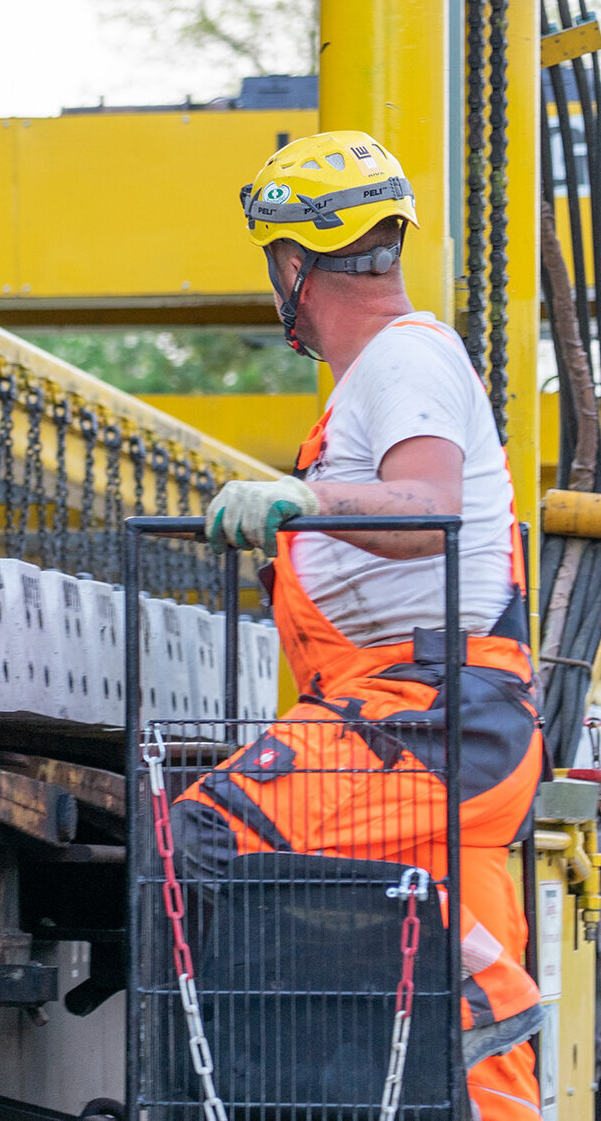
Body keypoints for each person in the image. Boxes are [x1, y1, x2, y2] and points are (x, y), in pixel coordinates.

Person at [172, 129, 544, 1121]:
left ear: (290, 266)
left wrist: (305, 506)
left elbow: (427, 508)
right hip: (451, 724)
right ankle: (485, 1026)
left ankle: (473, 998)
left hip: (423, 717)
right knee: (474, 1040)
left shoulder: (401, 360)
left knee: (206, 836)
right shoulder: (391, 374)